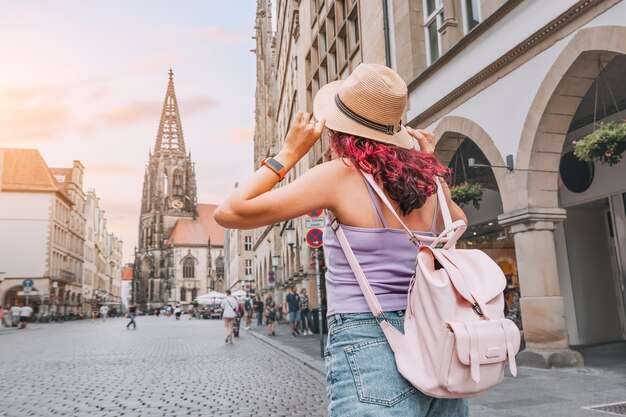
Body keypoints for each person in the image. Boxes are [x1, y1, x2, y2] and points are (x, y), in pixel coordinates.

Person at [214, 64, 469, 416]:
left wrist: (288, 153)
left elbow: (229, 212)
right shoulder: (432, 183)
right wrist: (427, 161)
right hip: (436, 332)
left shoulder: (341, 176)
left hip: (368, 336)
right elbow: (458, 222)